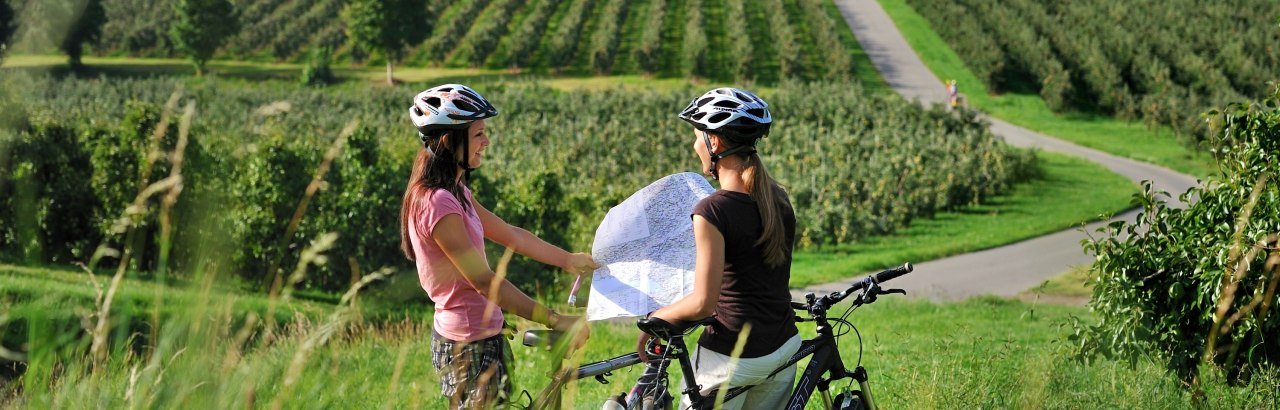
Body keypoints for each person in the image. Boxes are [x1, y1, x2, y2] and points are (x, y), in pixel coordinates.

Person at [401, 84, 598, 409]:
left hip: (484, 339)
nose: (486, 142)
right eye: (478, 134)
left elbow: (510, 234)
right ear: (451, 140)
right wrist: (553, 319)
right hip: (468, 347)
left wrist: (567, 260)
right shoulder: (436, 203)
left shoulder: (456, 192)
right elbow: (483, 282)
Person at [636, 88, 800, 409]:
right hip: (783, 349)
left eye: (697, 136)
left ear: (715, 142)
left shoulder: (712, 209)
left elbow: (702, 303)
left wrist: (654, 319)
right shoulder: (778, 197)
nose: (694, 145)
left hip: (731, 360)